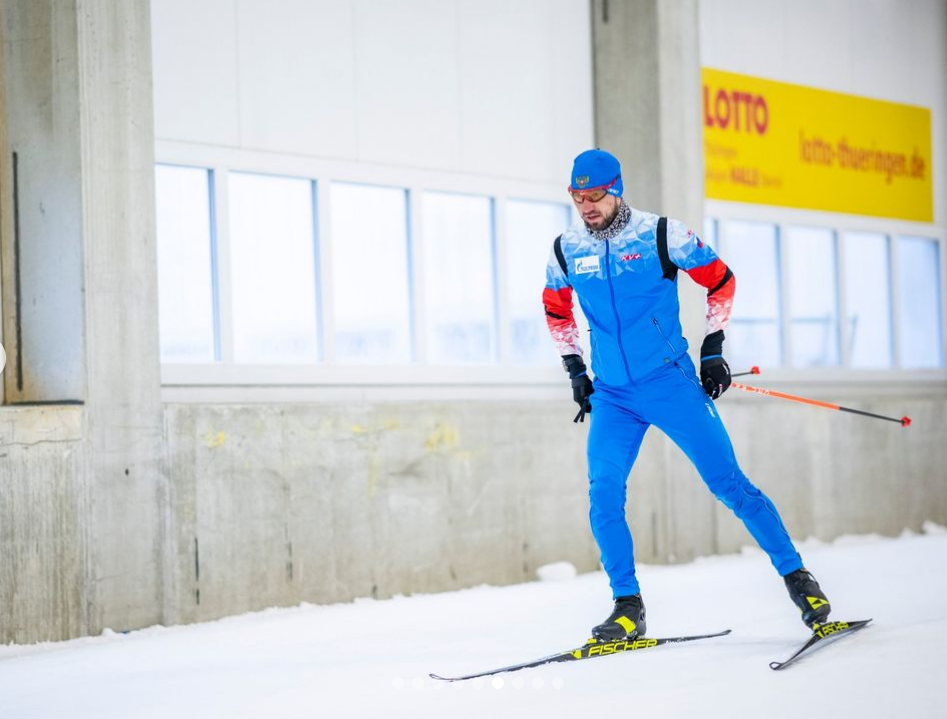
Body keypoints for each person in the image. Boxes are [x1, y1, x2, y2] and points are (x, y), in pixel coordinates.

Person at [543, 148, 831, 641]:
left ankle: (799, 580)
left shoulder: (659, 234)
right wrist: (574, 368)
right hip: (613, 395)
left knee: (729, 485)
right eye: (578, 197)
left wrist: (713, 346)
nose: (587, 206)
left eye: (595, 196)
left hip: (670, 384)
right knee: (603, 494)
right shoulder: (567, 248)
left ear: (616, 190)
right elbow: (556, 310)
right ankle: (627, 607)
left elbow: (720, 281)